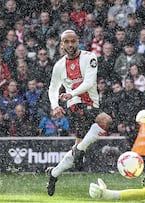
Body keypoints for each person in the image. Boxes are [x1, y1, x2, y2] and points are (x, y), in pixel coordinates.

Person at [46, 29, 113, 196]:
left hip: (91, 102)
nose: (70, 45)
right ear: (61, 44)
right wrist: (55, 105)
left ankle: (53, 173)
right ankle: (80, 150)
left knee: (77, 149)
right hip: (75, 104)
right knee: (106, 121)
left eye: (73, 41)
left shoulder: (89, 57)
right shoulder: (59, 66)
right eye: (66, 42)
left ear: (78, 41)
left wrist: (71, 92)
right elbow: (53, 88)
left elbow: (90, 82)